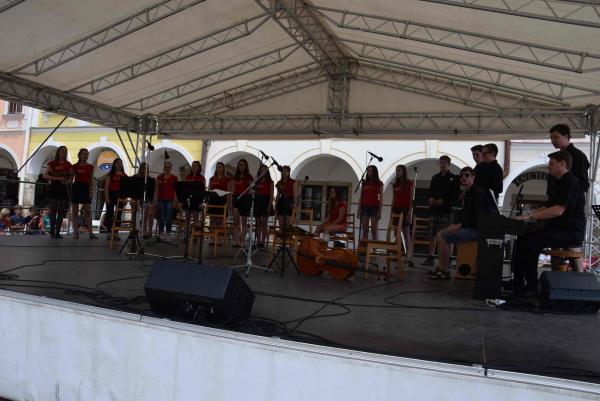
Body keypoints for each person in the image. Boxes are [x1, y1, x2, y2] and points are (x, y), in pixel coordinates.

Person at [512, 150, 586, 297]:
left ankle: (533, 287)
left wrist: (531, 215)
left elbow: (558, 210)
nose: (548, 166)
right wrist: (526, 215)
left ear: (562, 164)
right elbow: (548, 206)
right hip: (557, 229)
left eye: (551, 163)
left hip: (570, 232)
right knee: (521, 240)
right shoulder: (556, 182)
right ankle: (518, 285)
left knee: (530, 243)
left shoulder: (572, 182)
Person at [430, 167, 492, 279]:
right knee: (440, 234)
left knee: (442, 236)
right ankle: (443, 268)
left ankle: (443, 269)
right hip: (469, 227)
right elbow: (464, 214)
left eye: (467, 175)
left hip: (476, 230)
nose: (463, 177)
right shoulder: (468, 193)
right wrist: (455, 224)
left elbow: (477, 218)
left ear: (473, 177)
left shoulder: (477, 192)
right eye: (462, 175)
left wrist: (458, 226)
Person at [422, 155, 459, 266]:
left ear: (448, 164)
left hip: (446, 210)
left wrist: (443, 200)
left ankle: (449, 257)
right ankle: (431, 256)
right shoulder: (435, 177)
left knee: (448, 234)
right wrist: (430, 198)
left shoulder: (454, 178)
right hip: (434, 209)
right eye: (441, 162)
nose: (442, 165)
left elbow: (455, 195)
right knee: (432, 233)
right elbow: (431, 191)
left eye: (444, 163)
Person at [549, 123, 590, 192]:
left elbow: (583, 184)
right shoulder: (558, 155)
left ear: (566, 136)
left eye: (556, 137)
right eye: (551, 138)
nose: (552, 141)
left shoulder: (578, 155)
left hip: (570, 196)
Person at [43, 145, 73, 238]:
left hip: (64, 188)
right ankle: (52, 231)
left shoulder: (69, 164)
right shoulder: (52, 163)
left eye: (65, 151)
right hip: (54, 188)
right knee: (53, 210)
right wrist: (58, 178)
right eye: (62, 150)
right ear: (58, 152)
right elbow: (45, 175)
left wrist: (68, 181)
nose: (64, 152)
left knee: (61, 211)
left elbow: (71, 178)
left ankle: (57, 232)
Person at [70, 148, 98, 239]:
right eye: (83, 154)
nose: (85, 155)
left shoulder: (91, 167)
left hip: (86, 188)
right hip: (76, 187)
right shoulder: (74, 166)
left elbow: (91, 181)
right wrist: (69, 189)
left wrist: (92, 191)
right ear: (79, 155)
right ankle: (75, 232)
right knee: (75, 211)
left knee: (88, 211)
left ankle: (91, 233)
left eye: (87, 154)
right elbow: (71, 179)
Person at [391, 165, 414, 262]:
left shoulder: (409, 183)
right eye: (396, 170)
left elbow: (411, 199)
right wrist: (391, 211)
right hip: (396, 209)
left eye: (399, 170)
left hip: (405, 209)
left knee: (405, 231)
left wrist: (409, 213)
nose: (397, 172)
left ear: (403, 172)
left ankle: (408, 254)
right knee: (396, 232)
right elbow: (394, 198)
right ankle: (397, 252)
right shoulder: (395, 185)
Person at [228, 159, 253, 247]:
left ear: (246, 166)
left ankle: (242, 241)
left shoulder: (249, 177)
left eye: (243, 165)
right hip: (236, 198)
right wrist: (230, 202)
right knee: (236, 221)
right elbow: (232, 190)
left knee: (244, 222)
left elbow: (250, 190)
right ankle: (236, 240)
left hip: (246, 199)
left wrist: (252, 191)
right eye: (240, 165)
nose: (241, 166)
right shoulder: (235, 177)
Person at [103, 158, 126, 241]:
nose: (119, 164)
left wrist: (125, 198)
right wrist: (107, 197)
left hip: (121, 195)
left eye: (121, 163)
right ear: (114, 164)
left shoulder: (124, 175)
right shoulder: (110, 174)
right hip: (111, 194)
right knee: (109, 213)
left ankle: (116, 232)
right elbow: (106, 187)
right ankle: (109, 232)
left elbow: (126, 188)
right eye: (117, 163)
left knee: (119, 214)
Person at [358, 165, 383, 240]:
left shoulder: (379, 183)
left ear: (374, 172)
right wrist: (358, 209)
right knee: (365, 230)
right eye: (368, 171)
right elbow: (361, 197)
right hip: (364, 207)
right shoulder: (364, 183)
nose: (369, 173)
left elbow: (381, 198)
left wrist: (380, 211)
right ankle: (364, 247)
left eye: (371, 171)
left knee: (374, 231)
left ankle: (375, 247)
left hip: (374, 208)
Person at [155, 161, 178, 240]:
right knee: (161, 218)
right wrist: (156, 199)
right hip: (161, 200)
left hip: (170, 200)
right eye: (165, 167)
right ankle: (161, 233)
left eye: (168, 167)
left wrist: (175, 201)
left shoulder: (174, 178)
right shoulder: (159, 177)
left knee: (168, 218)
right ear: (163, 168)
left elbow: (176, 191)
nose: (167, 168)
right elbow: (156, 189)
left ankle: (168, 234)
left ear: (171, 168)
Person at [253, 164, 274, 248]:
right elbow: (253, 192)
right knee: (258, 223)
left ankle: (263, 242)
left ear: (267, 171)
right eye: (261, 169)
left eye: (264, 169)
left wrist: (269, 206)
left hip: (266, 202)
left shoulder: (270, 182)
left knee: (264, 223)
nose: (263, 171)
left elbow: (271, 195)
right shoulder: (256, 181)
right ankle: (258, 241)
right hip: (257, 202)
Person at [136, 162, 155, 239]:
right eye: (144, 168)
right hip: (140, 198)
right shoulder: (137, 177)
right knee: (146, 212)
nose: (145, 169)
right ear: (141, 168)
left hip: (148, 197)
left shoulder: (149, 178)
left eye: (147, 168)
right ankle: (144, 231)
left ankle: (150, 230)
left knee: (152, 212)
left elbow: (152, 189)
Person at [208, 162, 230, 228]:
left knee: (220, 220)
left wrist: (228, 203)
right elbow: (209, 190)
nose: (218, 169)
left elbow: (228, 192)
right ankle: (212, 233)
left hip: (222, 201)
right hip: (213, 201)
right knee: (212, 220)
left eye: (220, 167)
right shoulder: (212, 179)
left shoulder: (227, 179)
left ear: (223, 169)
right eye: (217, 167)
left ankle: (220, 233)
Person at [275, 165, 297, 229]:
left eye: (285, 171)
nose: (283, 173)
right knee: (281, 224)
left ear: (288, 172)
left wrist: (295, 205)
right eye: (282, 171)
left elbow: (295, 194)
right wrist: (275, 205)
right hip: (281, 203)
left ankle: (287, 235)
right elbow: (278, 195)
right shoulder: (279, 183)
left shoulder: (293, 182)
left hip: (289, 203)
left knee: (287, 225)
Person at [185, 161, 206, 226]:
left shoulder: (201, 178)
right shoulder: (188, 177)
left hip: (197, 200)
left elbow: (203, 190)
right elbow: (185, 188)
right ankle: (187, 231)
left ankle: (195, 231)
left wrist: (201, 202)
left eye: (195, 166)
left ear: (198, 167)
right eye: (192, 165)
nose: (193, 167)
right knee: (187, 218)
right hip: (188, 199)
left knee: (196, 219)